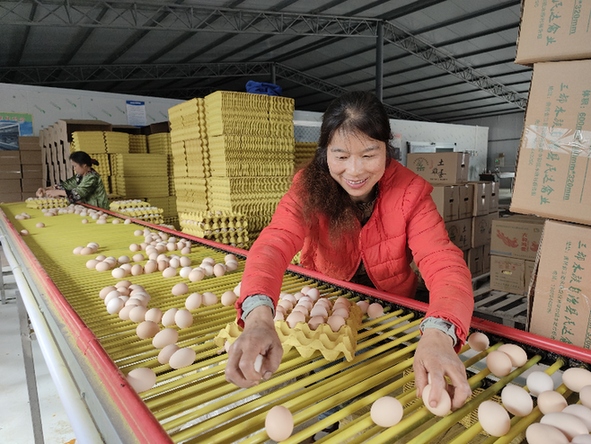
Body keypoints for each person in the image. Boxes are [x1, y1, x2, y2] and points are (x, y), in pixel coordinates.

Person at [225, 91, 474, 414]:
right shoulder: (308, 187)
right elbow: (275, 242)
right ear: (325, 153)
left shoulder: (410, 192)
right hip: (328, 301)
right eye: (341, 156)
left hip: (390, 307)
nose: (354, 171)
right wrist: (258, 315)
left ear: (387, 150)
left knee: (385, 393)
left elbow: (442, 259)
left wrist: (441, 332)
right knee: (329, 389)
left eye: (369, 155)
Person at [36, 151, 109, 210]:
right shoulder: (79, 176)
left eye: (75, 166)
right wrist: (46, 189)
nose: (74, 169)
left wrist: (56, 192)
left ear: (84, 165)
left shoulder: (92, 177)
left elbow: (79, 193)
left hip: (99, 209)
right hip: (88, 208)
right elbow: (67, 185)